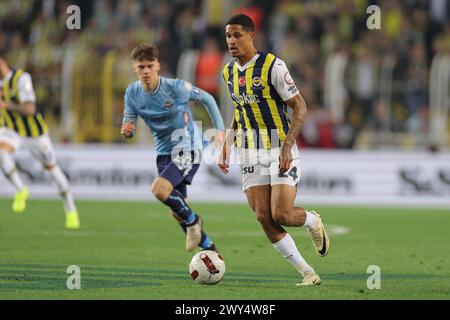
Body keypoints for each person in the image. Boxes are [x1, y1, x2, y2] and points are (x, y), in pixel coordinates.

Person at [218, 14, 330, 285]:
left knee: (282, 214)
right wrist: (227, 141)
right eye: (228, 36)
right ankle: (307, 272)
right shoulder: (228, 72)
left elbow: (300, 106)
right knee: (263, 217)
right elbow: (241, 108)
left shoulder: (272, 66)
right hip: (249, 151)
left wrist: (288, 147)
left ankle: (313, 221)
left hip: (279, 147)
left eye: (237, 35)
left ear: (250, 35)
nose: (232, 41)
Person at [121, 44, 225, 253]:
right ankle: (210, 250)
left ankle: (194, 221)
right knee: (177, 212)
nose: (146, 71)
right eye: (141, 67)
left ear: (158, 65)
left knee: (159, 190)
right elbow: (129, 125)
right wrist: (128, 130)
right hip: (163, 153)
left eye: (150, 66)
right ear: (134, 68)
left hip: (188, 147)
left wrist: (220, 131)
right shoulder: (132, 94)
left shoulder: (175, 87)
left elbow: (207, 98)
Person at [0, 54, 80, 230]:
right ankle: (21, 190)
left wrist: (7, 105)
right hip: (11, 130)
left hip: (34, 134)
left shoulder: (21, 78)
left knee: (52, 169)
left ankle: (70, 208)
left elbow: (30, 109)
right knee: (1, 152)